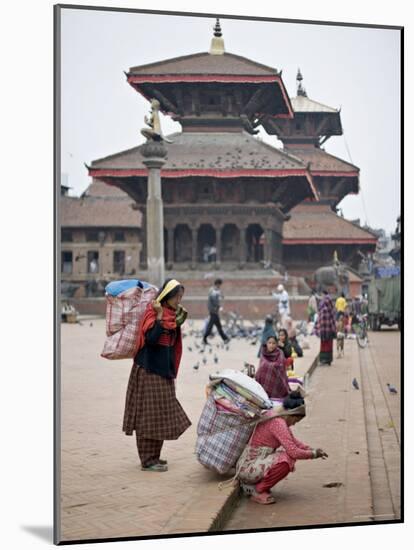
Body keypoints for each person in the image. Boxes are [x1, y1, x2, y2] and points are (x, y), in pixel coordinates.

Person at [122, 279, 191, 472]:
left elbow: (172, 345)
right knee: (147, 415)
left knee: (160, 414)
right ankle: (147, 460)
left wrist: (176, 322)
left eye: (180, 297)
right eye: (177, 296)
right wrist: (160, 316)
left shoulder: (172, 316)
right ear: (167, 296)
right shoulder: (154, 312)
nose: (179, 300)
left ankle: (155, 456)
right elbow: (151, 339)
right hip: (148, 370)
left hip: (163, 372)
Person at [236, 391, 328, 505]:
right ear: (291, 415)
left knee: (286, 456)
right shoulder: (278, 423)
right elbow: (294, 452)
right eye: (296, 420)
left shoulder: (275, 415)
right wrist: (313, 454)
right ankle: (258, 491)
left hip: (249, 464)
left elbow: (293, 441)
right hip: (248, 467)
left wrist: (311, 449)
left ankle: (260, 486)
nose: (294, 424)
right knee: (286, 460)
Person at [203, 278, 229, 345]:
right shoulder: (213, 290)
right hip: (213, 310)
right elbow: (214, 299)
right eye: (220, 285)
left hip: (214, 310)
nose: (220, 286)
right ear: (218, 284)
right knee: (211, 326)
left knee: (218, 325)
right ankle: (204, 338)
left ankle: (225, 338)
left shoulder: (214, 290)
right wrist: (218, 306)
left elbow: (218, 296)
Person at [316, 290, 337, 365]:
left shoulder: (323, 307)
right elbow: (333, 319)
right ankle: (329, 360)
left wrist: (317, 329)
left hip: (324, 330)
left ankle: (323, 360)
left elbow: (320, 320)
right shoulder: (331, 307)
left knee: (324, 344)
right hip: (330, 329)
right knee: (329, 344)